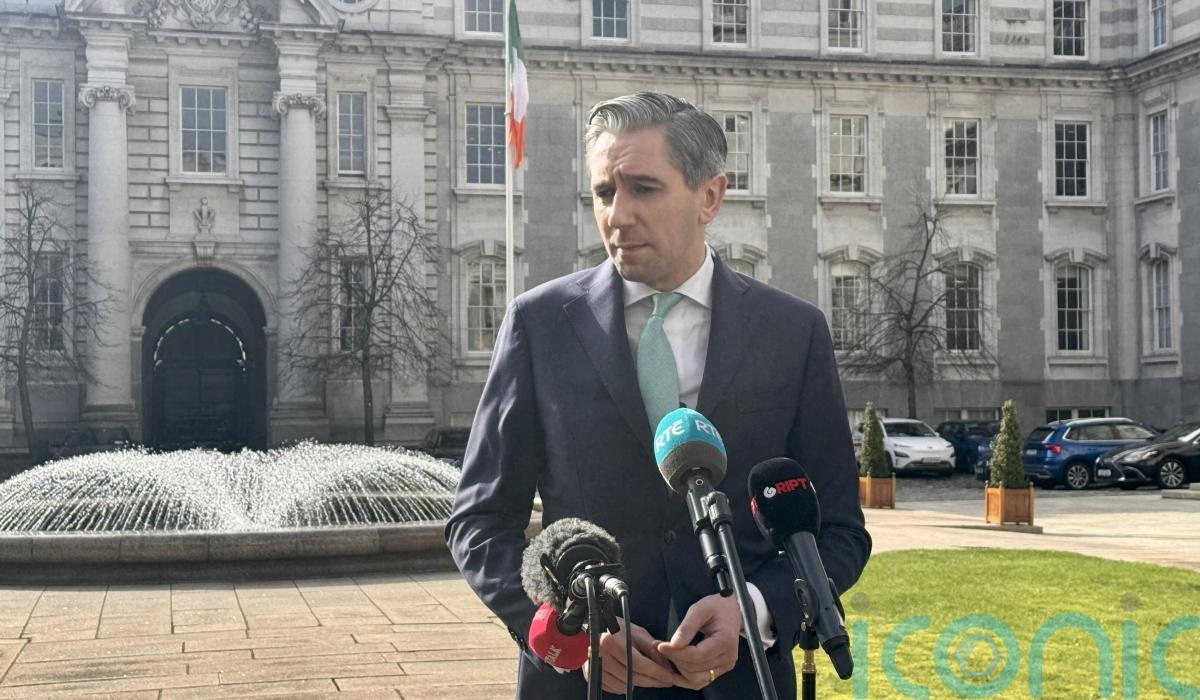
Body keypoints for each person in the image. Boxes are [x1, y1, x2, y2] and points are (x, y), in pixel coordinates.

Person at [445, 91, 871, 699]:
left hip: (742, 683)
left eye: (643, 189)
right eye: (603, 192)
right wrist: (568, 633)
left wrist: (753, 609)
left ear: (710, 197)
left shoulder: (792, 333)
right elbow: (480, 523)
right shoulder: (538, 325)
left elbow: (839, 532)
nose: (617, 215)